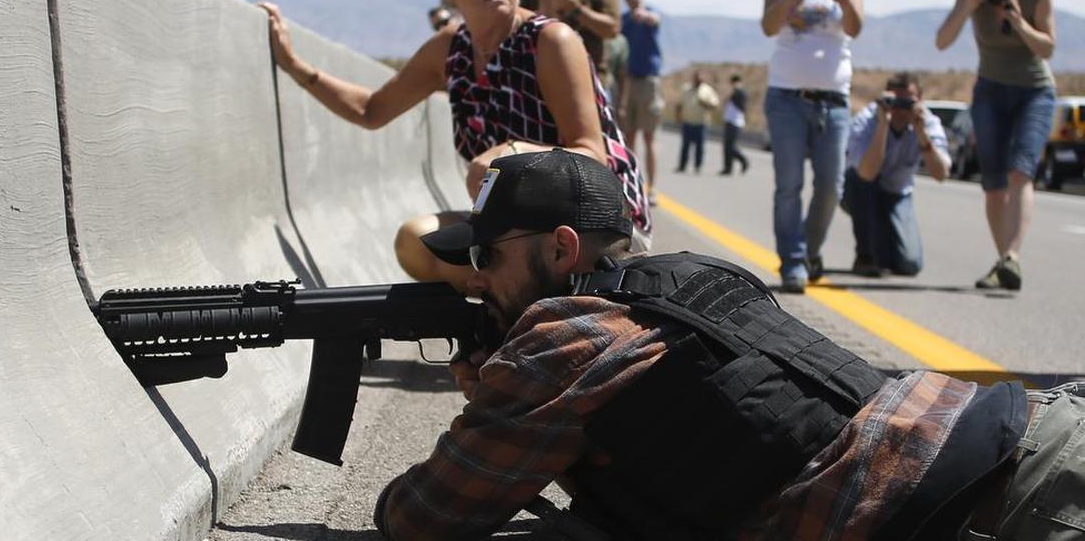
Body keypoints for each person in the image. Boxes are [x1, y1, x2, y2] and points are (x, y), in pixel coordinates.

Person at [374, 149, 1084, 541]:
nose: (478, 278)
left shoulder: (562, 339)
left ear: (561, 248)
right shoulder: (700, 275)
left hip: (1004, 510)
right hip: (1034, 431)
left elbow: (424, 517)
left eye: (488, 255)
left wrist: (502, 399)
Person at [258, 0, 650, 292]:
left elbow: (591, 154)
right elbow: (371, 110)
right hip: (518, 231)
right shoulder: (450, 50)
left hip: (593, 225)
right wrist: (294, 66)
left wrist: (511, 156)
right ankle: (507, 310)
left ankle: (512, 317)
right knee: (416, 241)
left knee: (499, 209)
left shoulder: (551, 41)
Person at [935, 0, 1056, 291]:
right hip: (990, 90)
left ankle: (1011, 258)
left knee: (1021, 172)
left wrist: (1018, 21)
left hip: (1034, 91)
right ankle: (1004, 261)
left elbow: (1047, 48)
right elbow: (942, 41)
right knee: (993, 185)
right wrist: (968, 6)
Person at [760, 0, 863, 293]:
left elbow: (856, 27)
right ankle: (793, 262)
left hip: (834, 100)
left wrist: (844, 0)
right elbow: (769, 27)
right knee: (789, 185)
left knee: (830, 186)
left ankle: (808, 251)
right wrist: (788, 0)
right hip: (787, 96)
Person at [842, 73, 951, 277]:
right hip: (860, 191)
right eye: (896, 100)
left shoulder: (928, 122)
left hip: (898, 195)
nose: (901, 108)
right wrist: (883, 125)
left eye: (907, 101)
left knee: (910, 264)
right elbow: (866, 173)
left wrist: (921, 134)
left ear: (920, 101)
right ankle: (865, 255)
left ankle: (882, 249)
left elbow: (941, 174)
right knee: (860, 181)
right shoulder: (867, 119)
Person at [619, 0, 664, 199]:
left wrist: (645, 16)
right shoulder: (625, 21)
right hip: (629, 81)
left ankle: (652, 187)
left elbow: (655, 20)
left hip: (648, 81)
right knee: (629, 138)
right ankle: (632, 184)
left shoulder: (651, 15)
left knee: (649, 136)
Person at [674, 69, 718, 174]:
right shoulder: (686, 89)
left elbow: (714, 105)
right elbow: (679, 104)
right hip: (688, 122)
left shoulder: (707, 90)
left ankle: (698, 166)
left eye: (700, 78)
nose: (698, 80)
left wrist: (704, 103)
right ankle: (682, 165)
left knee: (700, 146)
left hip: (701, 123)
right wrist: (678, 117)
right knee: (685, 146)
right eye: (696, 78)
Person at [720, 73, 750, 175]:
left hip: (736, 123)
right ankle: (728, 168)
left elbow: (743, 105)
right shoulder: (734, 93)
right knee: (726, 147)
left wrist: (737, 89)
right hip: (729, 122)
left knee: (731, 147)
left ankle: (743, 160)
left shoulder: (740, 93)